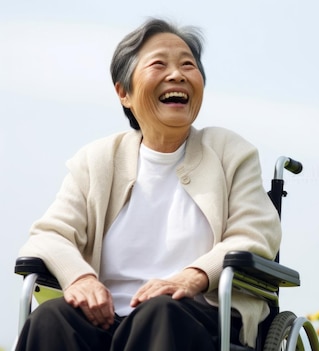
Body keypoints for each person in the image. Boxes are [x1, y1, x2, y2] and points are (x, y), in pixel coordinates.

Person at [16, 17, 281, 351]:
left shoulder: (230, 152)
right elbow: (49, 235)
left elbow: (254, 234)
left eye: (188, 65)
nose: (177, 75)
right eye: (159, 64)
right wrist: (80, 278)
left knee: (159, 313)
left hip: (196, 317)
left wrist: (193, 276)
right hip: (106, 320)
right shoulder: (97, 159)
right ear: (124, 92)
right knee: (50, 317)